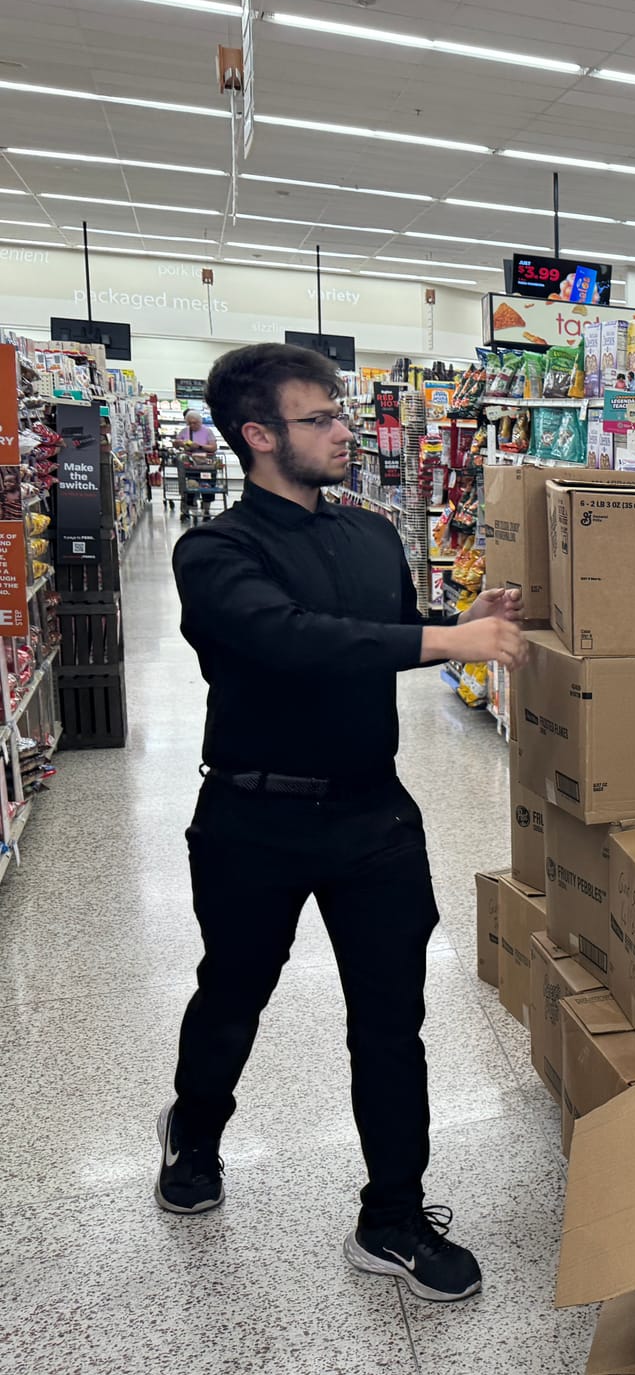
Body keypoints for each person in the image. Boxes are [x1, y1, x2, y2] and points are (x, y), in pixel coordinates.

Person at [159, 343, 526, 1303]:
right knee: (235, 991)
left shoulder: (368, 536)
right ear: (258, 435)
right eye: (319, 418)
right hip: (252, 814)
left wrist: (459, 614)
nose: (343, 432)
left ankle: (394, 1215)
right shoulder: (214, 552)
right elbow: (289, 640)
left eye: (339, 414)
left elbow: (384, 634)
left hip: (372, 814)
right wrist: (448, 636)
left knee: (391, 1019)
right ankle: (196, 1131)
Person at [175, 407, 219, 520]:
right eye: (189, 423)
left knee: (207, 487)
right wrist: (178, 443)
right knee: (189, 487)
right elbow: (176, 444)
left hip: (206, 464)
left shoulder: (207, 431)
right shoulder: (184, 431)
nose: (192, 425)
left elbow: (213, 447)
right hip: (190, 465)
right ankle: (187, 510)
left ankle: (206, 510)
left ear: (200, 422)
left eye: (195, 423)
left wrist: (199, 446)